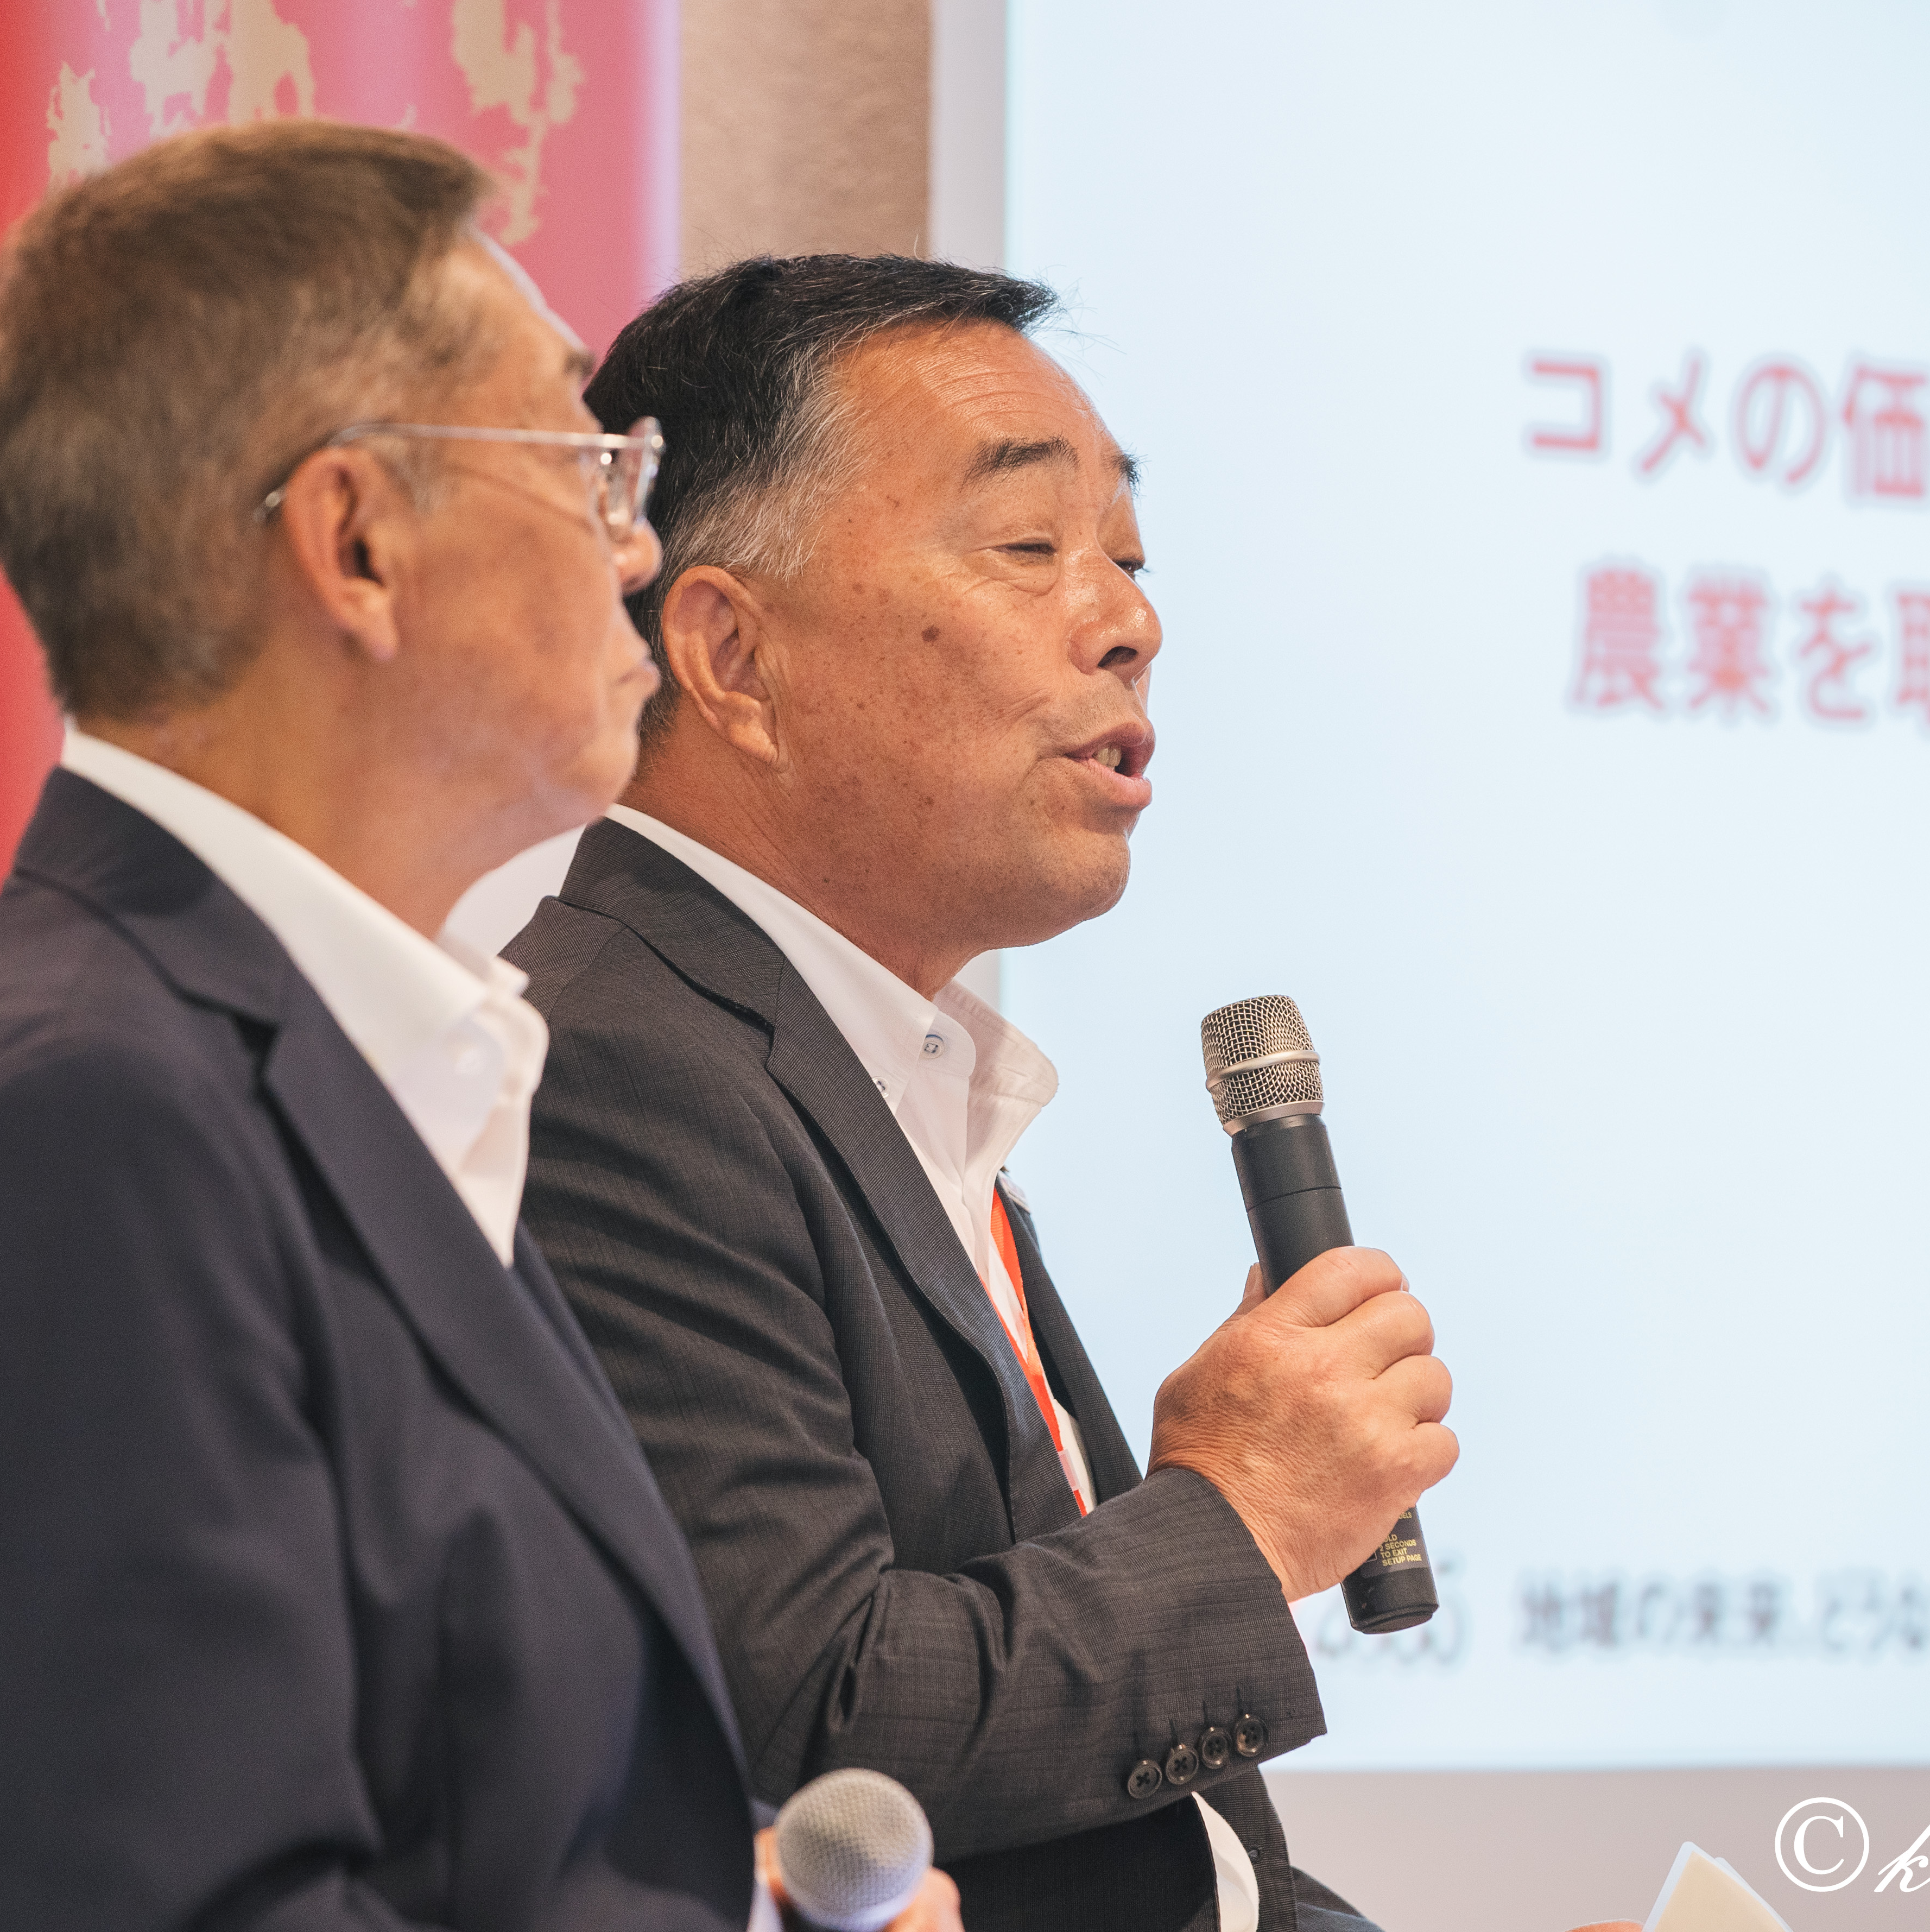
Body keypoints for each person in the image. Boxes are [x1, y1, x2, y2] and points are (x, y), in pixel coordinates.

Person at [0, 130, 953, 1932]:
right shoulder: (80, 1121)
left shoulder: (318, 1064)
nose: (634, 548)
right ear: (355, 541)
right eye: (589, 465)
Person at [504, 257, 1458, 1932]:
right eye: (1030, 548)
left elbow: (1167, 1857)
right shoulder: (608, 1066)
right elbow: (816, 1749)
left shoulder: (881, 1067)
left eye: (1129, 556)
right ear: (730, 654)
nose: (1129, 624)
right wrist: (1235, 1519)